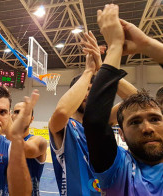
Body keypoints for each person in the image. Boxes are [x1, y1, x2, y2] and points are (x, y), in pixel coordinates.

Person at [83, 4, 163, 196]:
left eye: (155, 118)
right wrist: (115, 48)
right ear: (122, 134)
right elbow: (94, 120)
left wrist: (147, 44)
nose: (147, 128)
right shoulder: (119, 169)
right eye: (134, 122)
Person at [48, 30, 137, 195]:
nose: (88, 94)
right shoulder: (64, 126)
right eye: (84, 89)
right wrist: (88, 71)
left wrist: (103, 68)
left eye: (92, 90)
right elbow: (62, 111)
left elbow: (137, 100)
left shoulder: (101, 122)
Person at [11, 102, 47, 196]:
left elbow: (23, 149)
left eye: (25, 113)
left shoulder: (39, 141)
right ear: (11, 116)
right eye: (17, 112)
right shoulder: (2, 140)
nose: (20, 115)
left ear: (32, 119)